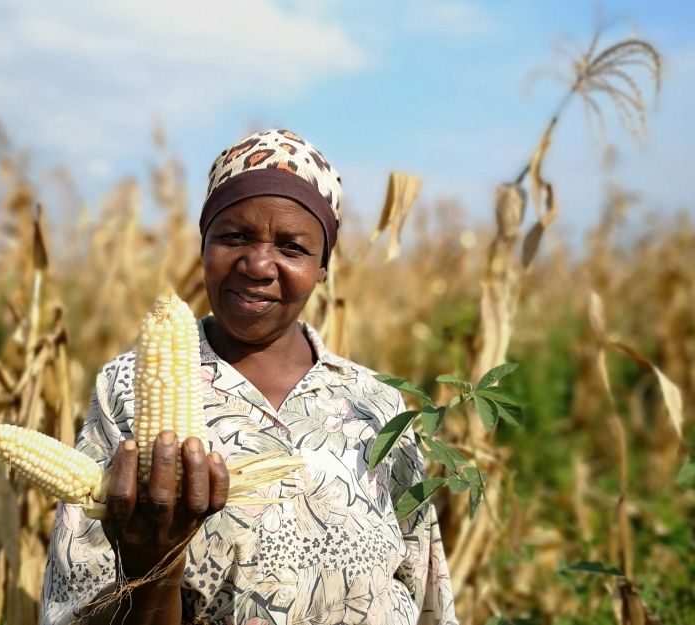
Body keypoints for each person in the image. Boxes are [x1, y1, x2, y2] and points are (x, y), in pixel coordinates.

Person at [40, 129, 457, 625]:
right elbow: (76, 601)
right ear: (204, 246)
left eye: (291, 247)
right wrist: (155, 564)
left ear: (322, 267)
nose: (258, 264)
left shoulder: (378, 405)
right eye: (234, 237)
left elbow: (425, 587)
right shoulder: (126, 388)